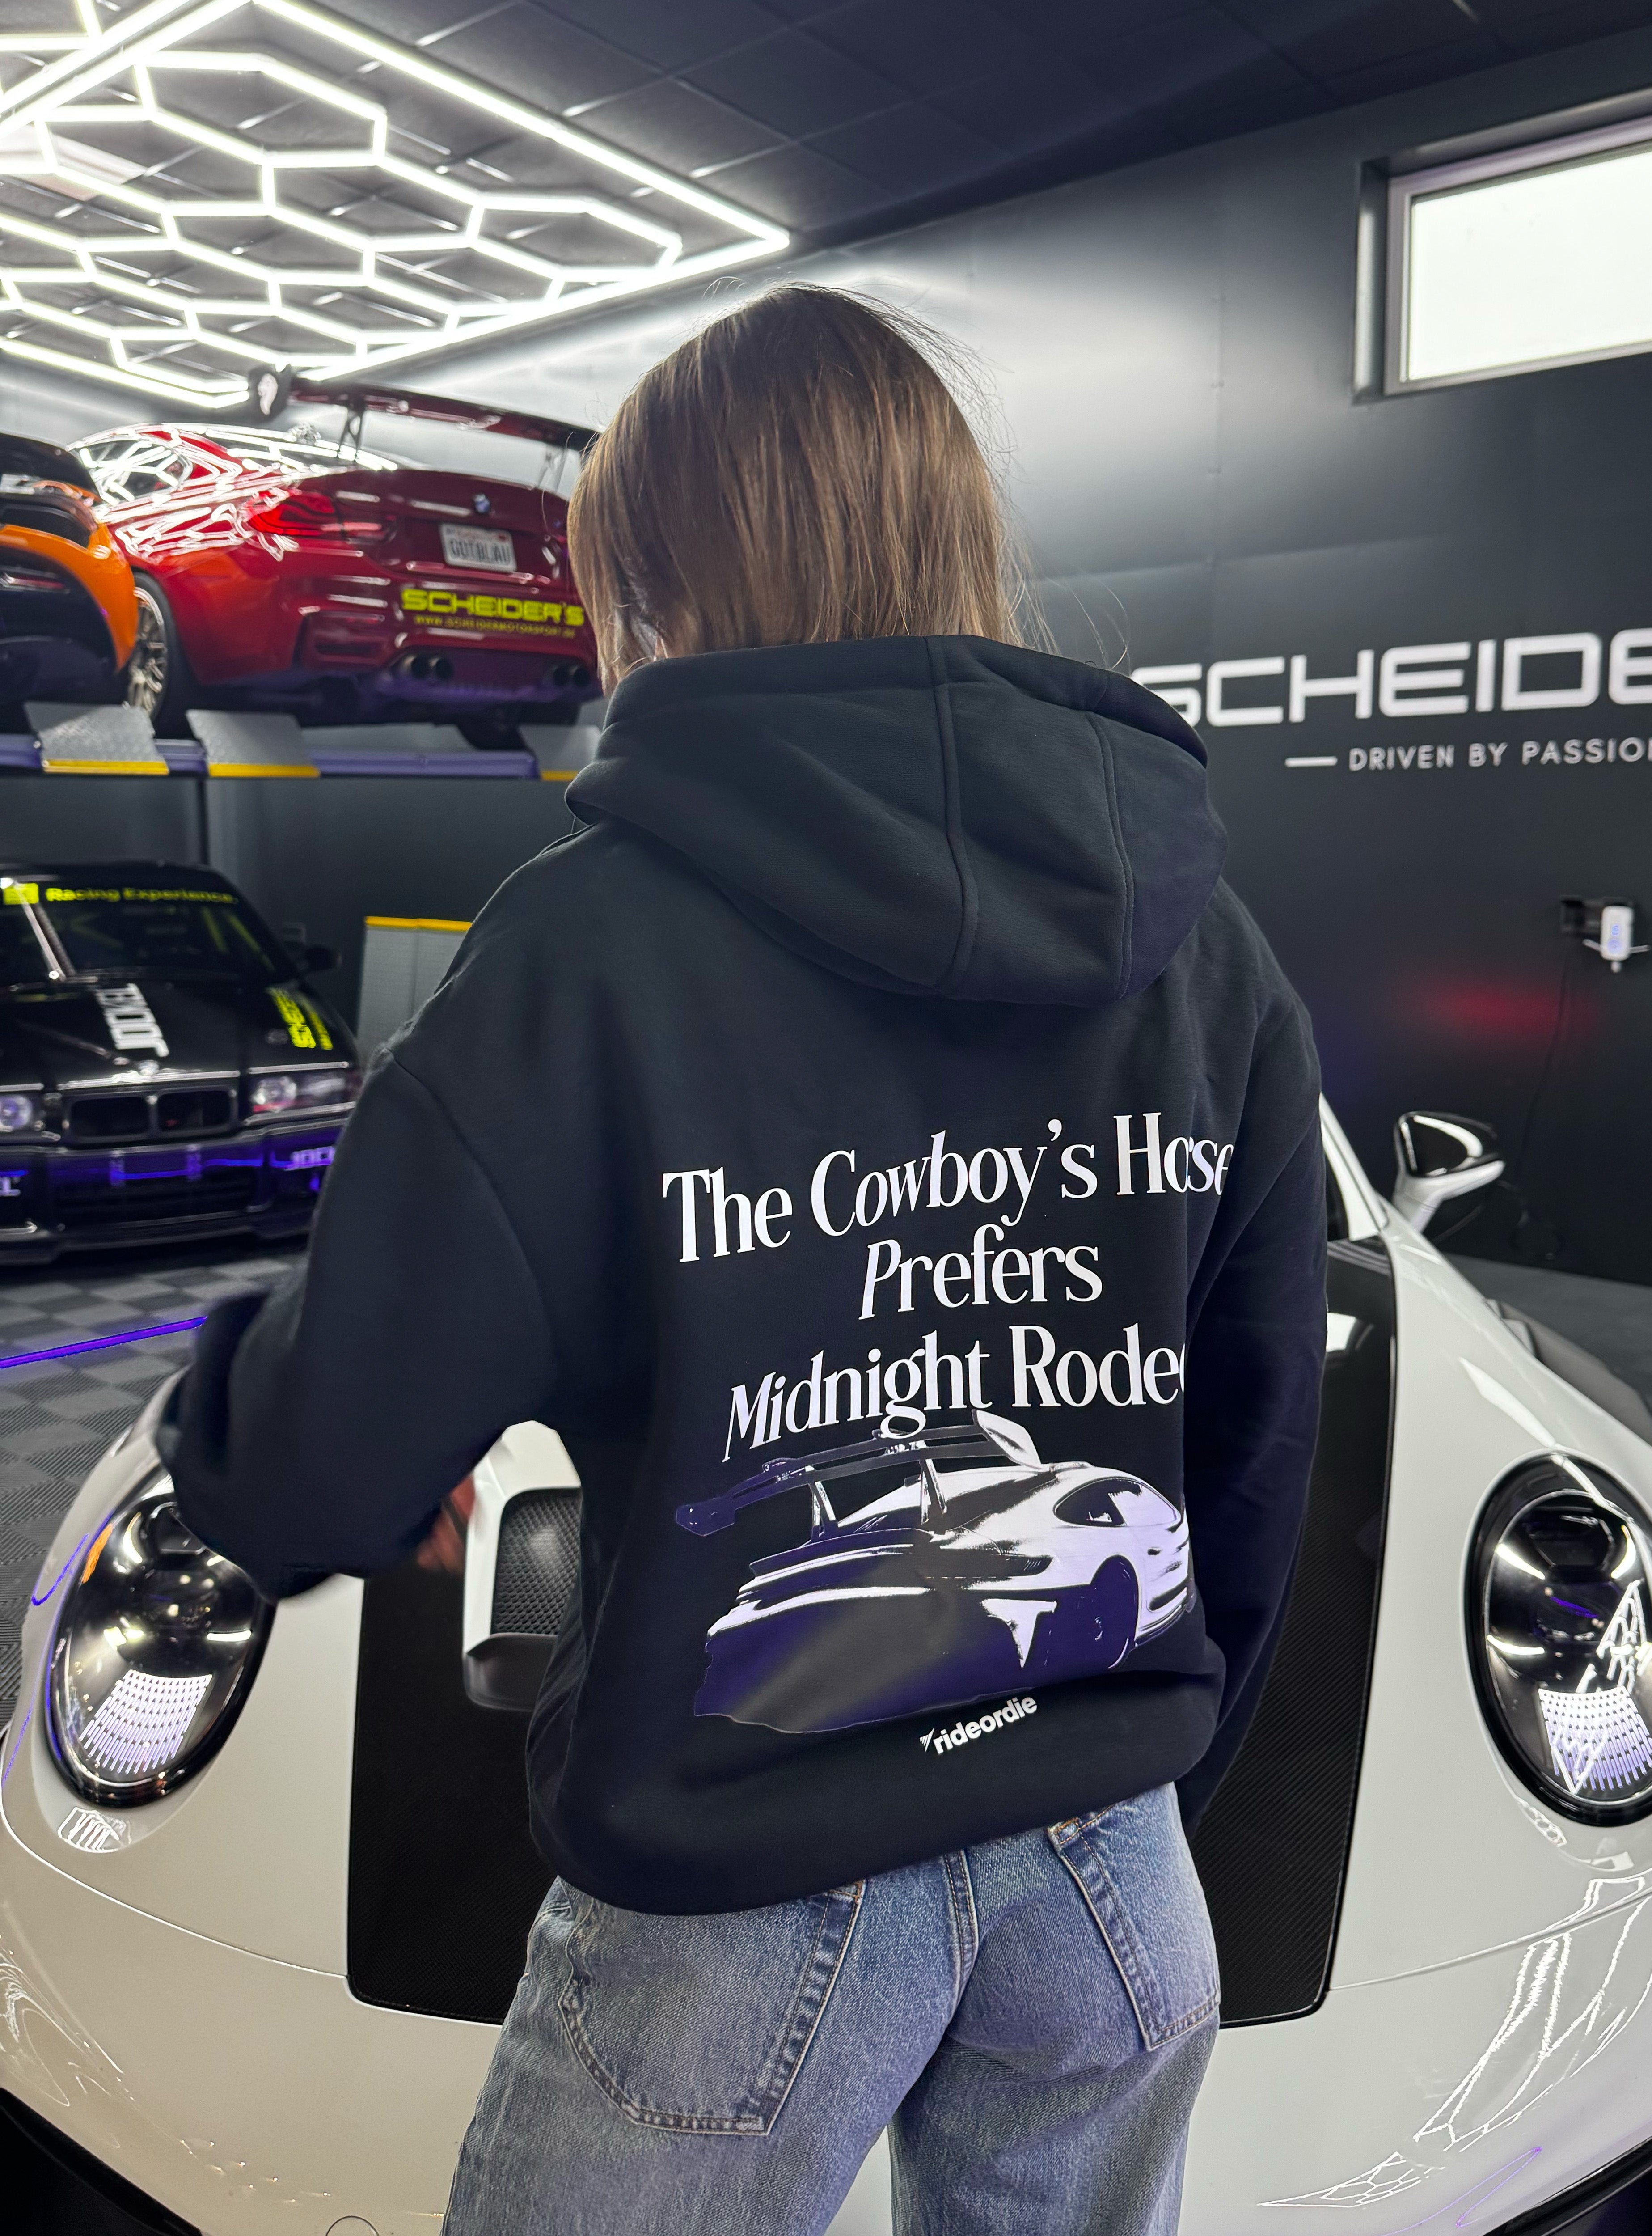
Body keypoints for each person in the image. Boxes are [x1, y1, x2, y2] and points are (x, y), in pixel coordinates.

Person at [160, 286, 1326, 2236]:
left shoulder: (588, 944)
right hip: (1111, 1865)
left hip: (745, 1883)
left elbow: (317, 1463)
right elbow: (1259, 1444)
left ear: (662, 587)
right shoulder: (1204, 943)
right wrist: (1144, 1755)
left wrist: (232, 1426)